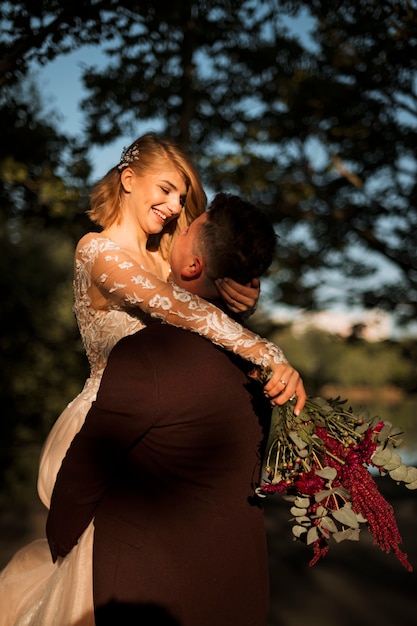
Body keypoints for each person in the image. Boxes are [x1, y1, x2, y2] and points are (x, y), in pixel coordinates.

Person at [0, 133, 305, 626]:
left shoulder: (167, 260)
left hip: (156, 418)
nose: (172, 206)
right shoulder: (96, 250)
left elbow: (200, 302)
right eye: (164, 190)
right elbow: (178, 305)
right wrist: (267, 350)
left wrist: (244, 293)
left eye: (181, 198)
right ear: (127, 179)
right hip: (99, 422)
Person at [46, 192, 278, 626]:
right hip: (238, 591)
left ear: (193, 266)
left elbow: (87, 468)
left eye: (188, 229)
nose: (178, 226)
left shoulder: (150, 355)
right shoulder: (256, 366)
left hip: (153, 591)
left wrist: (59, 541)